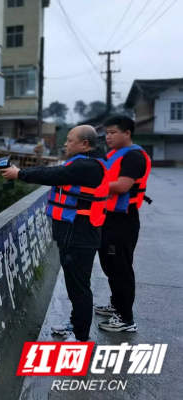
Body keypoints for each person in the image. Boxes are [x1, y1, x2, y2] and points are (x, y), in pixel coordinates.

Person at [0, 125, 109, 342]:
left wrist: (19, 173)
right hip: (78, 235)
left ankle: (81, 338)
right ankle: (77, 324)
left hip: (79, 237)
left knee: (78, 288)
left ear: (84, 144)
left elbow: (53, 174)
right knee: (77, 285)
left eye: (69, 140)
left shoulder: (87, 166)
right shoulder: (89, 163)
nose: (65, 144)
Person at [94, 116, 151, 333]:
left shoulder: (133, 157)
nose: (108, 137)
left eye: (113, 132)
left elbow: (122, 186)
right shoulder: (113, 155)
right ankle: (116, 305)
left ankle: (126, 319)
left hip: (123, 220)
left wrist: (91, 183)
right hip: (109, 217)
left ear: (127, 133)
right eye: (107, 133)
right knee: (109, 265)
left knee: (120, 268)